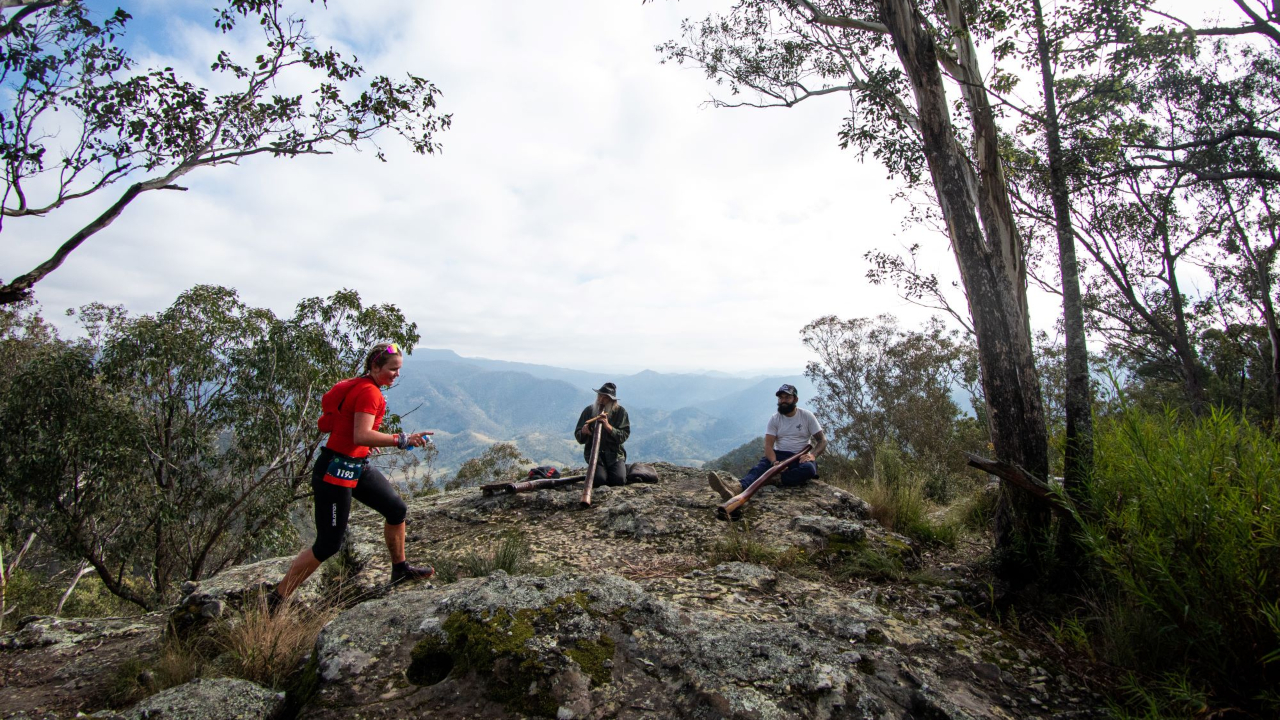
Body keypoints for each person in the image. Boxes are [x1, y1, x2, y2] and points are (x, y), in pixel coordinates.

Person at [268, 341, 434, 611]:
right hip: (335, 471)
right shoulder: (370, 393)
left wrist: (369, 441)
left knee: (396, 509)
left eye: (399, 370)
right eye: (392, 369)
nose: (396, 374)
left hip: (355, 464)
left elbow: (354, 429)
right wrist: (403, 439)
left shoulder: (360, 385)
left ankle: (400, 568)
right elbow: (361, 434)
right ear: (375, 366)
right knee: (327, 544)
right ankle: (276, 599)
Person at [708, 384, 827, 499]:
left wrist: (812, 455)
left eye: (787, 397)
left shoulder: (807, 416)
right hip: (780, 455)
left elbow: (822, 440)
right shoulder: (775, 419)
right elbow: (768, 446)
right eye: (780, 398)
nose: (783, 401)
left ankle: (776, 479)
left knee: (809, 470)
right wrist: (775, 462)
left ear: (795, 399)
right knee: (760, 467)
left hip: (800, 456)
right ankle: (737, 488)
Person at [574, 382, 631, 487]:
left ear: (612, 401)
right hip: (595, 455)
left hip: (615, 455)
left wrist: (608, 426)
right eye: (599, 396)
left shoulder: (621, 413)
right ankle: (603, 471)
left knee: (618, 481)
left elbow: (624, 436)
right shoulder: (588, 411)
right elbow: (578, 435)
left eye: (605, 398)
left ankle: (622, 468)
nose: (600, 400)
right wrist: (583, 432)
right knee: (599, 481)